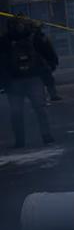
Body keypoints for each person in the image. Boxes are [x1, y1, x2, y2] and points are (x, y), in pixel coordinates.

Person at [2, 18, 57, 149]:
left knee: (18, 112)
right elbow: (50, 54)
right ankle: (46, 136)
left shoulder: (6, 40)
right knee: (39, 110)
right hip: (32, 79)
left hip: (17, 80)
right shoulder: (34, 37)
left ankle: (20, 140)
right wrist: (49, 69)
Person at [31, 23, 62, 102]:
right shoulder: (35, 38)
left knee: (47, 80)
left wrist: (54, 59)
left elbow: (49, 49)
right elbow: (47, 49)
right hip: (40, 62)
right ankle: (45, 97)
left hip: (45, 62)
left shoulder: (40, 37)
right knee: (42, 81)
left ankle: (51, 95)